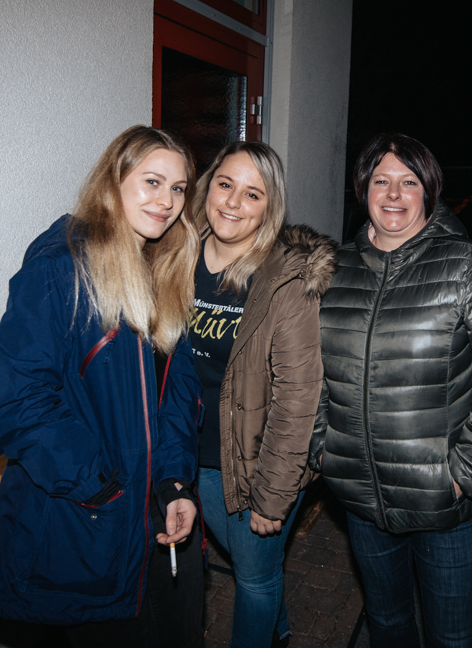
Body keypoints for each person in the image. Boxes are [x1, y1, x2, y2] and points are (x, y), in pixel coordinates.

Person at [311, 133, 472, 648]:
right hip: (361, 498)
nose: (394, 194)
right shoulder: (334, 271)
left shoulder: (466, 264)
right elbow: (313, 370)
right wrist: (324, 448)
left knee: (452, 638)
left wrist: (467, 471)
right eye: (381, 181)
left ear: (429, 191)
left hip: (444, 503)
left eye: (409, 182)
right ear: (363, 190)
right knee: (387, 625)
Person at [0, 126, 204, 647]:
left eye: (178, 188)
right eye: (152, 181)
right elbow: (17, 404)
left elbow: (174, 393)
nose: (167, 201)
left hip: (149, 510)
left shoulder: (164, 269)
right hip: (85, 517)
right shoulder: (61, 271)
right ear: (113, 181)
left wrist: (173, 482)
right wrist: (103, 487)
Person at [189, 141, 336, 648]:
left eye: (253, 194)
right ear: (208, 186)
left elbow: (298, 396)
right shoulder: (175, 255)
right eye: (225, 184)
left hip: (254, 460)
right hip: (183, 450)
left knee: (252, 577)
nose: (233, 202)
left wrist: (273, 495)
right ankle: (280, 630)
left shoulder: (285, 280)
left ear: (270, 207)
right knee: (248, 560)